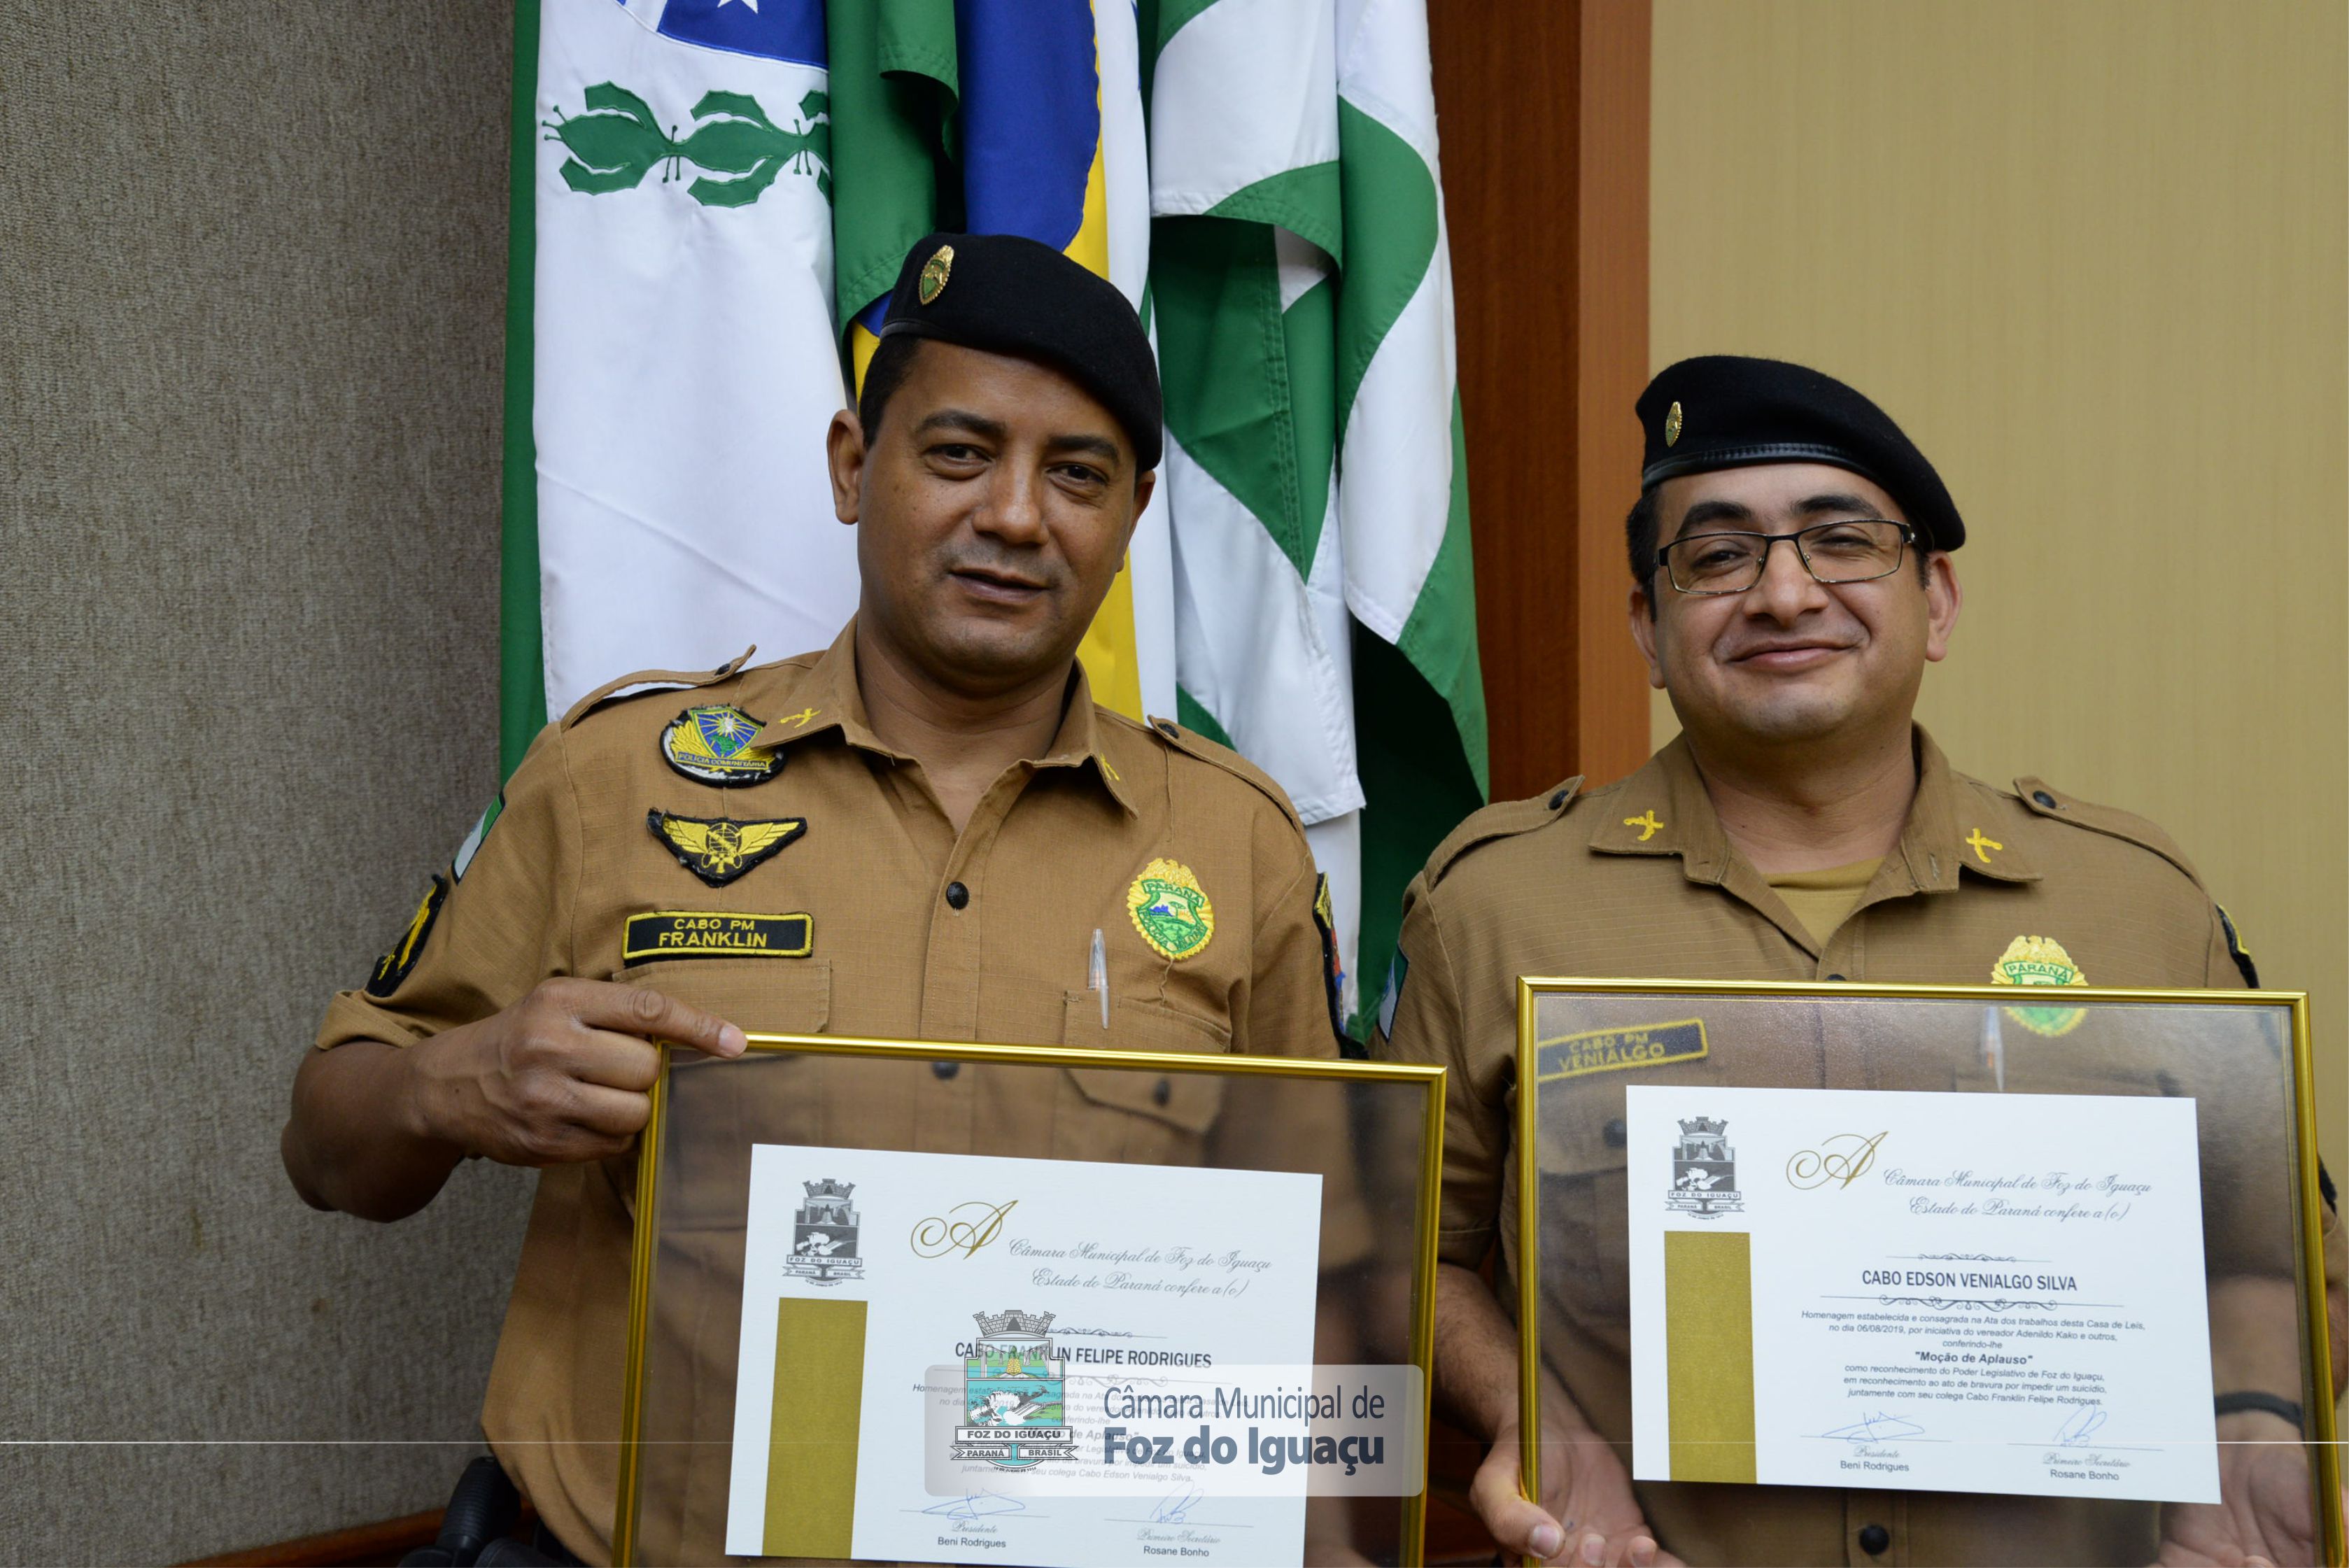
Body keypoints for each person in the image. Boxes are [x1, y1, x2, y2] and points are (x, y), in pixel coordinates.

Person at [281, 232, 1352, 1564]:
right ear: (856, 467)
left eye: (1075, 474)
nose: (1015, 514)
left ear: (1131, 517)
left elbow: (1329, 1264)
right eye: (959, 453)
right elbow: (329, 1142)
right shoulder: (613, 774)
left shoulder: (1235, 843)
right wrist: (459, 1082)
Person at [1374, 355, 2346, 1567]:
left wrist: (2249, 1427)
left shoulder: (2132, 902)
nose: (1783, 594)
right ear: (1648, 625)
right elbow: (1399, 1253)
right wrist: (1525, 1405)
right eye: (1717, 555)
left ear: (1935, 602)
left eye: (1840, 542)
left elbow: (2280, 1255)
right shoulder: (1497, 905)